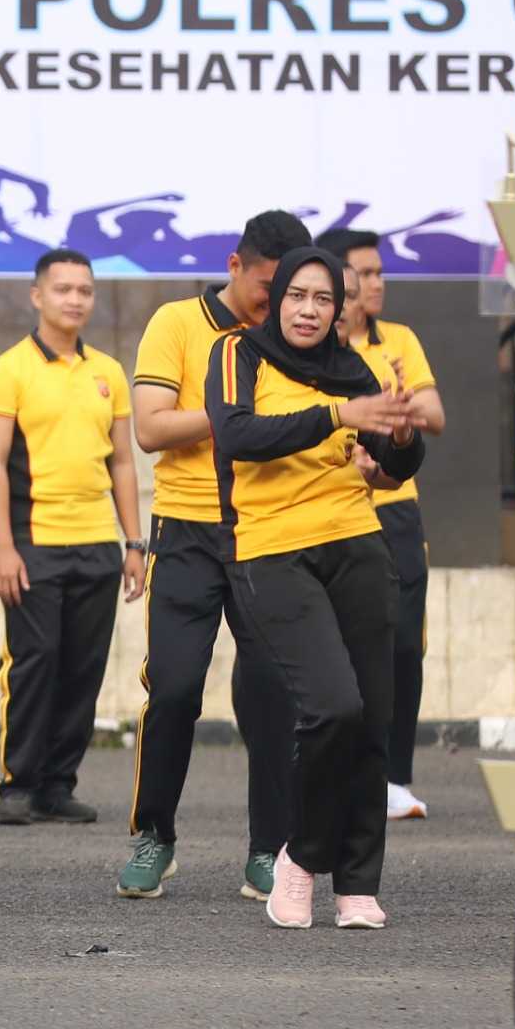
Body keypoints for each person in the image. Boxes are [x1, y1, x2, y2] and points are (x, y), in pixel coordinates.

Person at [207, 247, 424, 930]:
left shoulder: (353, 369)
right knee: (332, 707)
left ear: (340, 310)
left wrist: (401, 434)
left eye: (323, 300)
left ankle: (357, 882)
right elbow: (236, 434)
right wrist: (340, 417)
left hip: (357, 541)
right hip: (272, 549)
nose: (308, 310)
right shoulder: (238, 353)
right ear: (276, 300)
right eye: (297, 295)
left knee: (374, 720)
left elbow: (390, 461)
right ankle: (300, 858)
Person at [116, 210, 311, 904]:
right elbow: (150, 428)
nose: (277, 303)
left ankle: (268, 849)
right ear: (235, 265)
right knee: (172, 688)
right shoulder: (176, 323)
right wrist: (231, 411)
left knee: (271, 699)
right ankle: (154, 836)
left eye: (288, 290)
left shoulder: (292, 333)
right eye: (266, 287)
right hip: (187, 531)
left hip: (267, 530)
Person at [0, 249, 143, 827]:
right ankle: (18, 783)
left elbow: (123, 463)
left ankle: (57, 785)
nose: (75, 299)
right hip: (33, 542)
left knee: (82, 666)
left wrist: (135, 542)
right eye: (63, 289)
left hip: (97, 543)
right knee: (34, 661)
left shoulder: (109, 373)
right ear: (37, 295)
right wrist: (3, 545)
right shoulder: (9, 370)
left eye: (85, 290)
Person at [319, 224, 447, 821]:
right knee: (337, 652)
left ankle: (395, 777)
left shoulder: (400, 339)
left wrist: (395, 404)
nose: (375, 285)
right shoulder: (319, 349)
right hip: (332, 510)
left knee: (402, 647)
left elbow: (434, 414)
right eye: (362, 275)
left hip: (396, 511)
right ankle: (338, 773)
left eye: (378, 272)